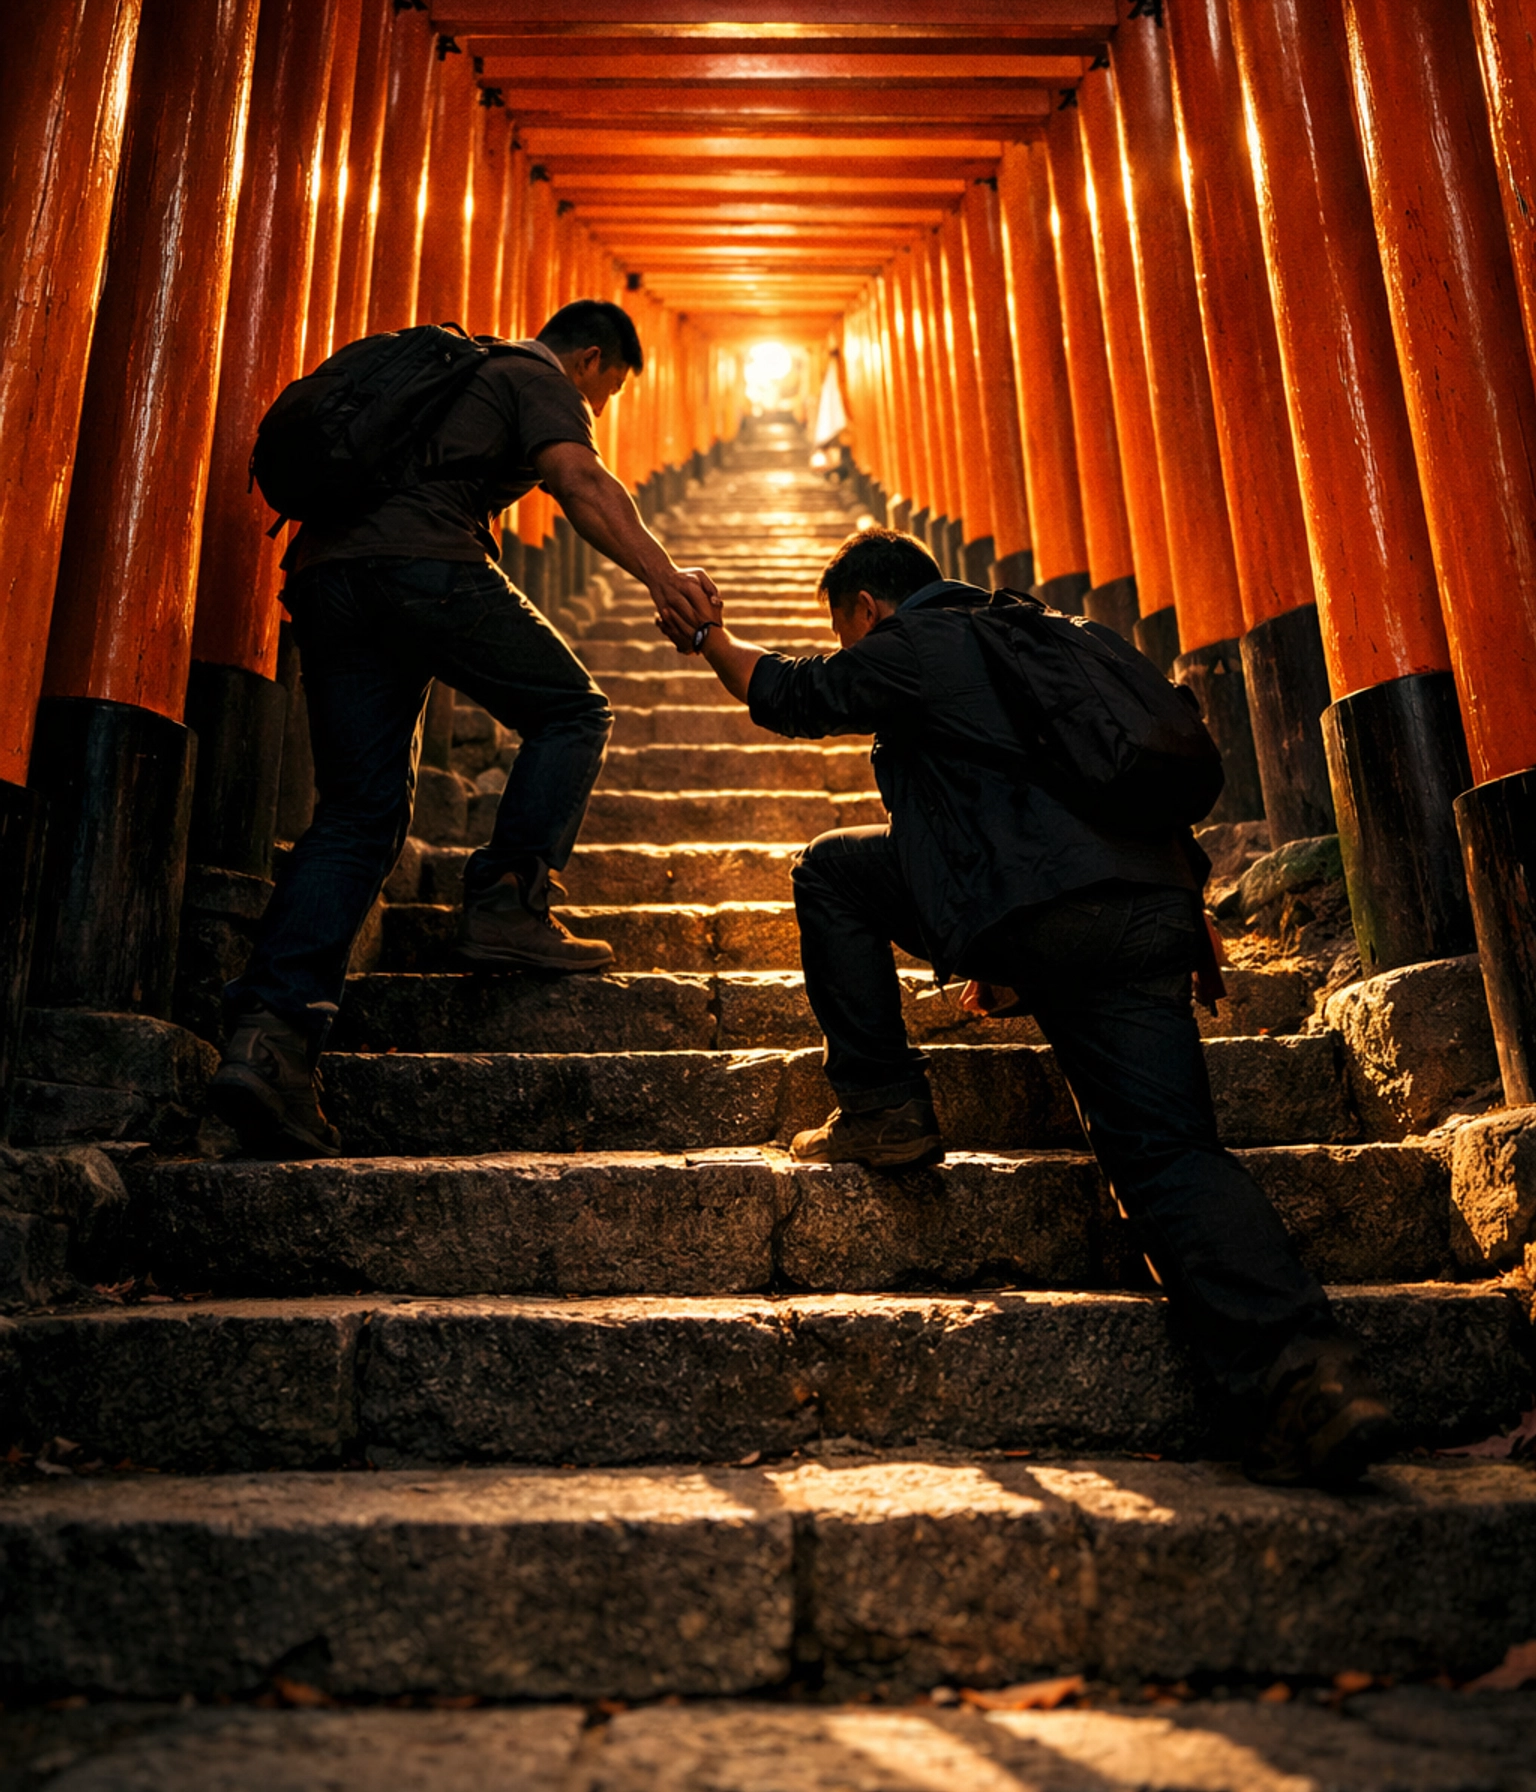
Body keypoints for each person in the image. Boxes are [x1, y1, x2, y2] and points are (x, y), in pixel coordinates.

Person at [696, 527, 1393, 1490]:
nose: (861, 651)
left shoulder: (915, 640)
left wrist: (711, 638)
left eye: (851, 631)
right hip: (1149, 910)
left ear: (866, 609)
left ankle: (884, 1105)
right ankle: (1309, 1379)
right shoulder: (1052, 634)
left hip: (1047, 910)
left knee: (830, 871)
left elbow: (790, 694)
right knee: (1171, 1155)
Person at [209, 299, 720, 1162]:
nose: (599, 409)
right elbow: (581, 481)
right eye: (608, 394)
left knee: (358, 814)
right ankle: (506, 903)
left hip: (327, 577)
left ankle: (270, 1042)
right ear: (590, 360)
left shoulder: (446, 375)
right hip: (426, 565)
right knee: (572, 710)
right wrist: (664, 577)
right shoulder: (532, 376)